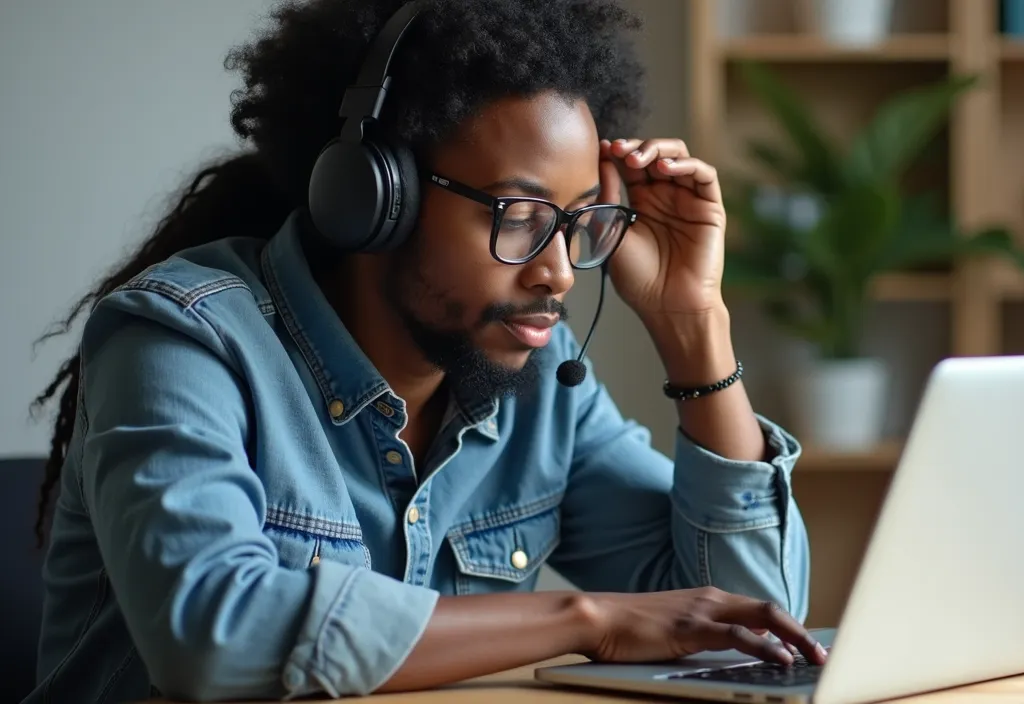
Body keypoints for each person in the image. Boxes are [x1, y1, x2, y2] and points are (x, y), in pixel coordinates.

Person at [23, 1, 823, 701]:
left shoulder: (542, 382)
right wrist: (589, 619)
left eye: (579, 221)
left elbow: (751, 624)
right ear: (377, 197)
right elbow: (211, 631)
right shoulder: (183, 341)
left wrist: (693, 325)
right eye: (519, 214)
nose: (556, 271)